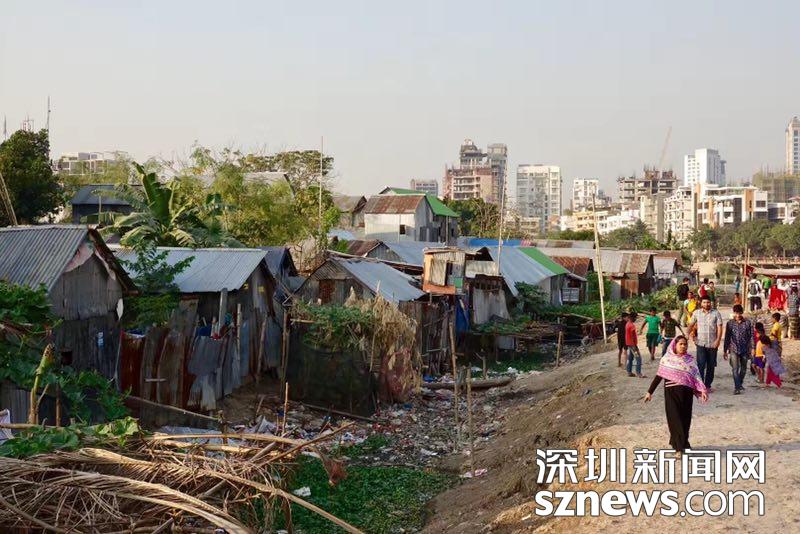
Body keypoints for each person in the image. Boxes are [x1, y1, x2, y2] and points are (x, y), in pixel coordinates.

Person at [644, 336, 709, 453]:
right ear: (675, 345)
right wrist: (650, 392)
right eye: (681, 344)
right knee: (675, 419)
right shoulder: (666, 359)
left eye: (685, 344)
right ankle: (679, 448)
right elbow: (659, 376)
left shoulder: (690, 360)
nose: (683, 346)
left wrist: (702, 390)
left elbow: (696, 377)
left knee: (685, 419)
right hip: (671, 393)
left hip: (687, 394)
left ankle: (683, 443)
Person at [689, 296, 723, 390]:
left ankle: (708, 385)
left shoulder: (716, 313)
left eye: (708, 302)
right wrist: (689, 335)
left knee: (711, 366)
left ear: (710, 303)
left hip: (712, 344)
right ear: (701, 303)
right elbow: (691, 325)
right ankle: (700, 385)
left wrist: (718, 340)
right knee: (701, 365)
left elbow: (720, 327)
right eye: (704, 302)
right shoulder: (696, 313)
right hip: (700, 343)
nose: (706, 304)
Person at [723, 304, 754, 395]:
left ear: (742, 313)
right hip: (733, 348)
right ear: (734, 313)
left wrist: (753, 348)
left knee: (743, 369)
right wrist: (725, 350)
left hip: (745, 349)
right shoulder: (730, 323)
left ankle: (739, 383)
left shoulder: (748, 323)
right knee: (735, 369)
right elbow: (727, 337)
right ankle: (737, 387)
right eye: (736, 313)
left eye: (739, 313)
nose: (738, 315)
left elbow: (751, 336)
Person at [625, 312, 644, 378]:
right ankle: (639, 373)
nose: (635, 319)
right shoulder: (632, 326)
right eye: (635, 318)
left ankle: (629, 372)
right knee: (638, 358)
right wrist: (634, 346)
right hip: (633, 345)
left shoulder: (627, 324)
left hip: (629, 344)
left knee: (630, 358)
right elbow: (632, 337)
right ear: (632, 317)